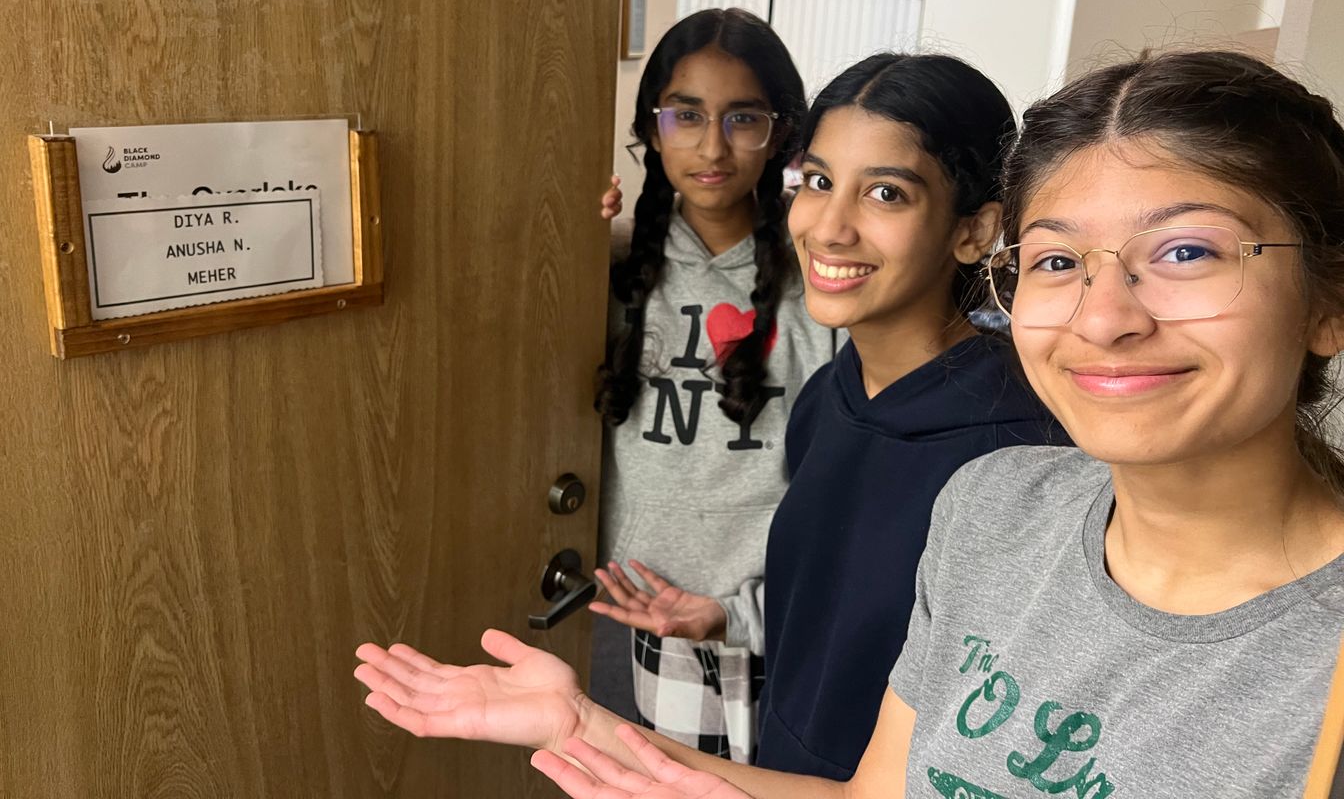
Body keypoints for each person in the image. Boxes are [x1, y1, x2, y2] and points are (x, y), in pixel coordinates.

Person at [354, 50, 1344, 798]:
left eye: (1186, 254)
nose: (1104, 316)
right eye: (1058, 261)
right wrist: (592, 726)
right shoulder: (997, 509)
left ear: (1328, 298)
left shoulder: (1022, 444)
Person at [589, 53, 1068, 780]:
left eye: (885, 193)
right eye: (817, 182)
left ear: (975, 230)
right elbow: (834, 616)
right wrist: (729, 618)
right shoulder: (830, 396)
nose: (830, 227)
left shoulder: (1019, 453)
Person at [588, 8, 835, 762]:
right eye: (685, 115)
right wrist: (563, 237)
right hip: (653, 604)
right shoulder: (611, 267)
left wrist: (748, 613)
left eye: (744, 118)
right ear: (652, 127)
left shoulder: (820, 276)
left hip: (785, 612)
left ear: (781, 132)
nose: (712, 146)